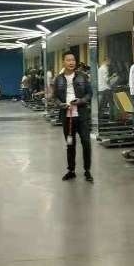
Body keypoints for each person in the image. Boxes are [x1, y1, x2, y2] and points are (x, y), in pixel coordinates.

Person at [52, 51, 93, 182]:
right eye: (68, 60)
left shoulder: (82, 76)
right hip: (67, 117)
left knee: (86, 143)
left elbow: (89, 94)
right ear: (63, 62)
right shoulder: (58, 79)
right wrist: (61, 105)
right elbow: (55, 97)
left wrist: (81, 101)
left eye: (73, 60)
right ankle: (71, 170)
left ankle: (87, 171)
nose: (71, 62)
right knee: (70, 144)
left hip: (82, 117)